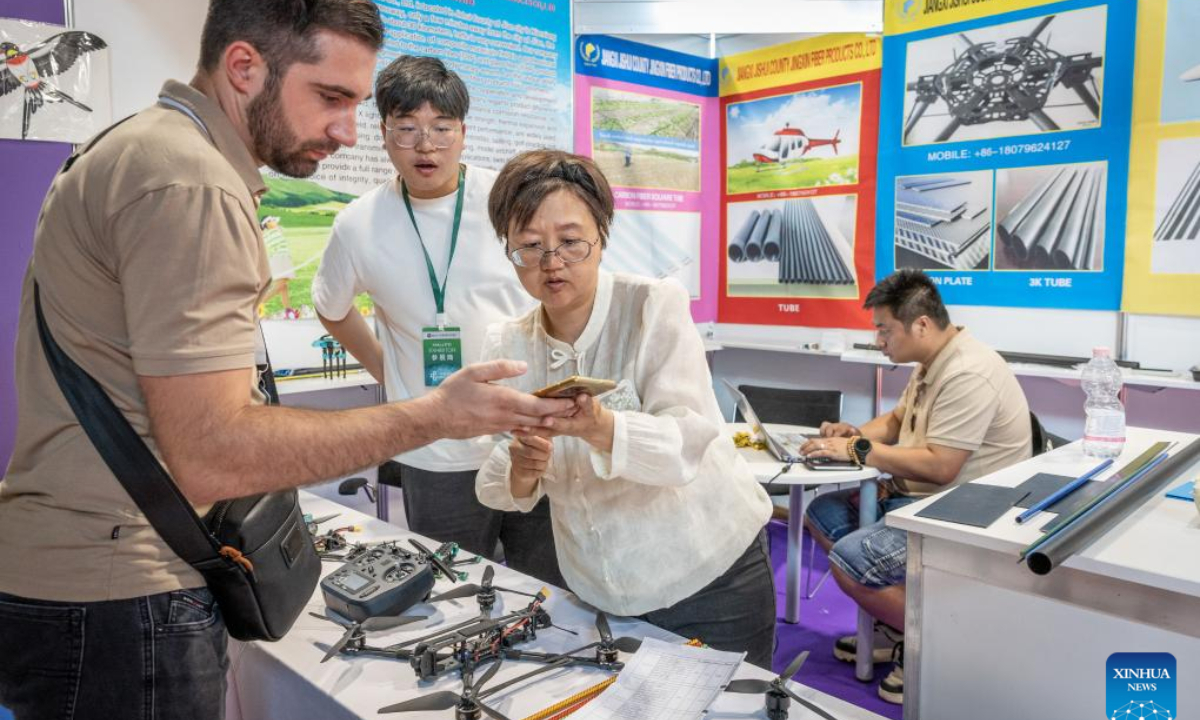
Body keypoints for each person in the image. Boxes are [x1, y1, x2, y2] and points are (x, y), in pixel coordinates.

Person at [0, 3, 572, 718]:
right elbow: (214, 454)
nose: (346, 131)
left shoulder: (137, 147)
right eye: (331, 98)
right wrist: (428, 415)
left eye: (357, 105)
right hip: (123, 590)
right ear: (245, 68)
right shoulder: (190, 180)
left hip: (92, 579)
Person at [474, 150, 776, 668]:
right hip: (600, 589)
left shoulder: (652, 306)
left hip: (711, 575)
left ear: (602, 236)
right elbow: (497, 480)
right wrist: (523, 470)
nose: (552, 263)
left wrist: (603, 427)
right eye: (530, 246)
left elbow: (687, 442)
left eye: (571, 242)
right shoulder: (507, 343)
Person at [313, 56, 564, 587]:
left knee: (547, 589)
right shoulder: (357, 224)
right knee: (454, 592)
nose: (425, 146)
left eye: (441, 128)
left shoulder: (510, 205)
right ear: (383, 133)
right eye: (407, 129)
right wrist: (392, 376)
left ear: (463, 133)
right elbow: (331, 309)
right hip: (435, 452)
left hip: (526, 436)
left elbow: (558, 291)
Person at [802, 268, 1032, 704]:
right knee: (823, 514)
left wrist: (857, 451)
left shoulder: (967, 372)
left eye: (884, 330)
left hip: (964, 511)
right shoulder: (932, 361)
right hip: (920, 497)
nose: (878, 341)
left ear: (921, 325)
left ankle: (937, 643)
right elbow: (894, 422)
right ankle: (895, 626)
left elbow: (942, 466)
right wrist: (850, 437)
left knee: (852, 560)